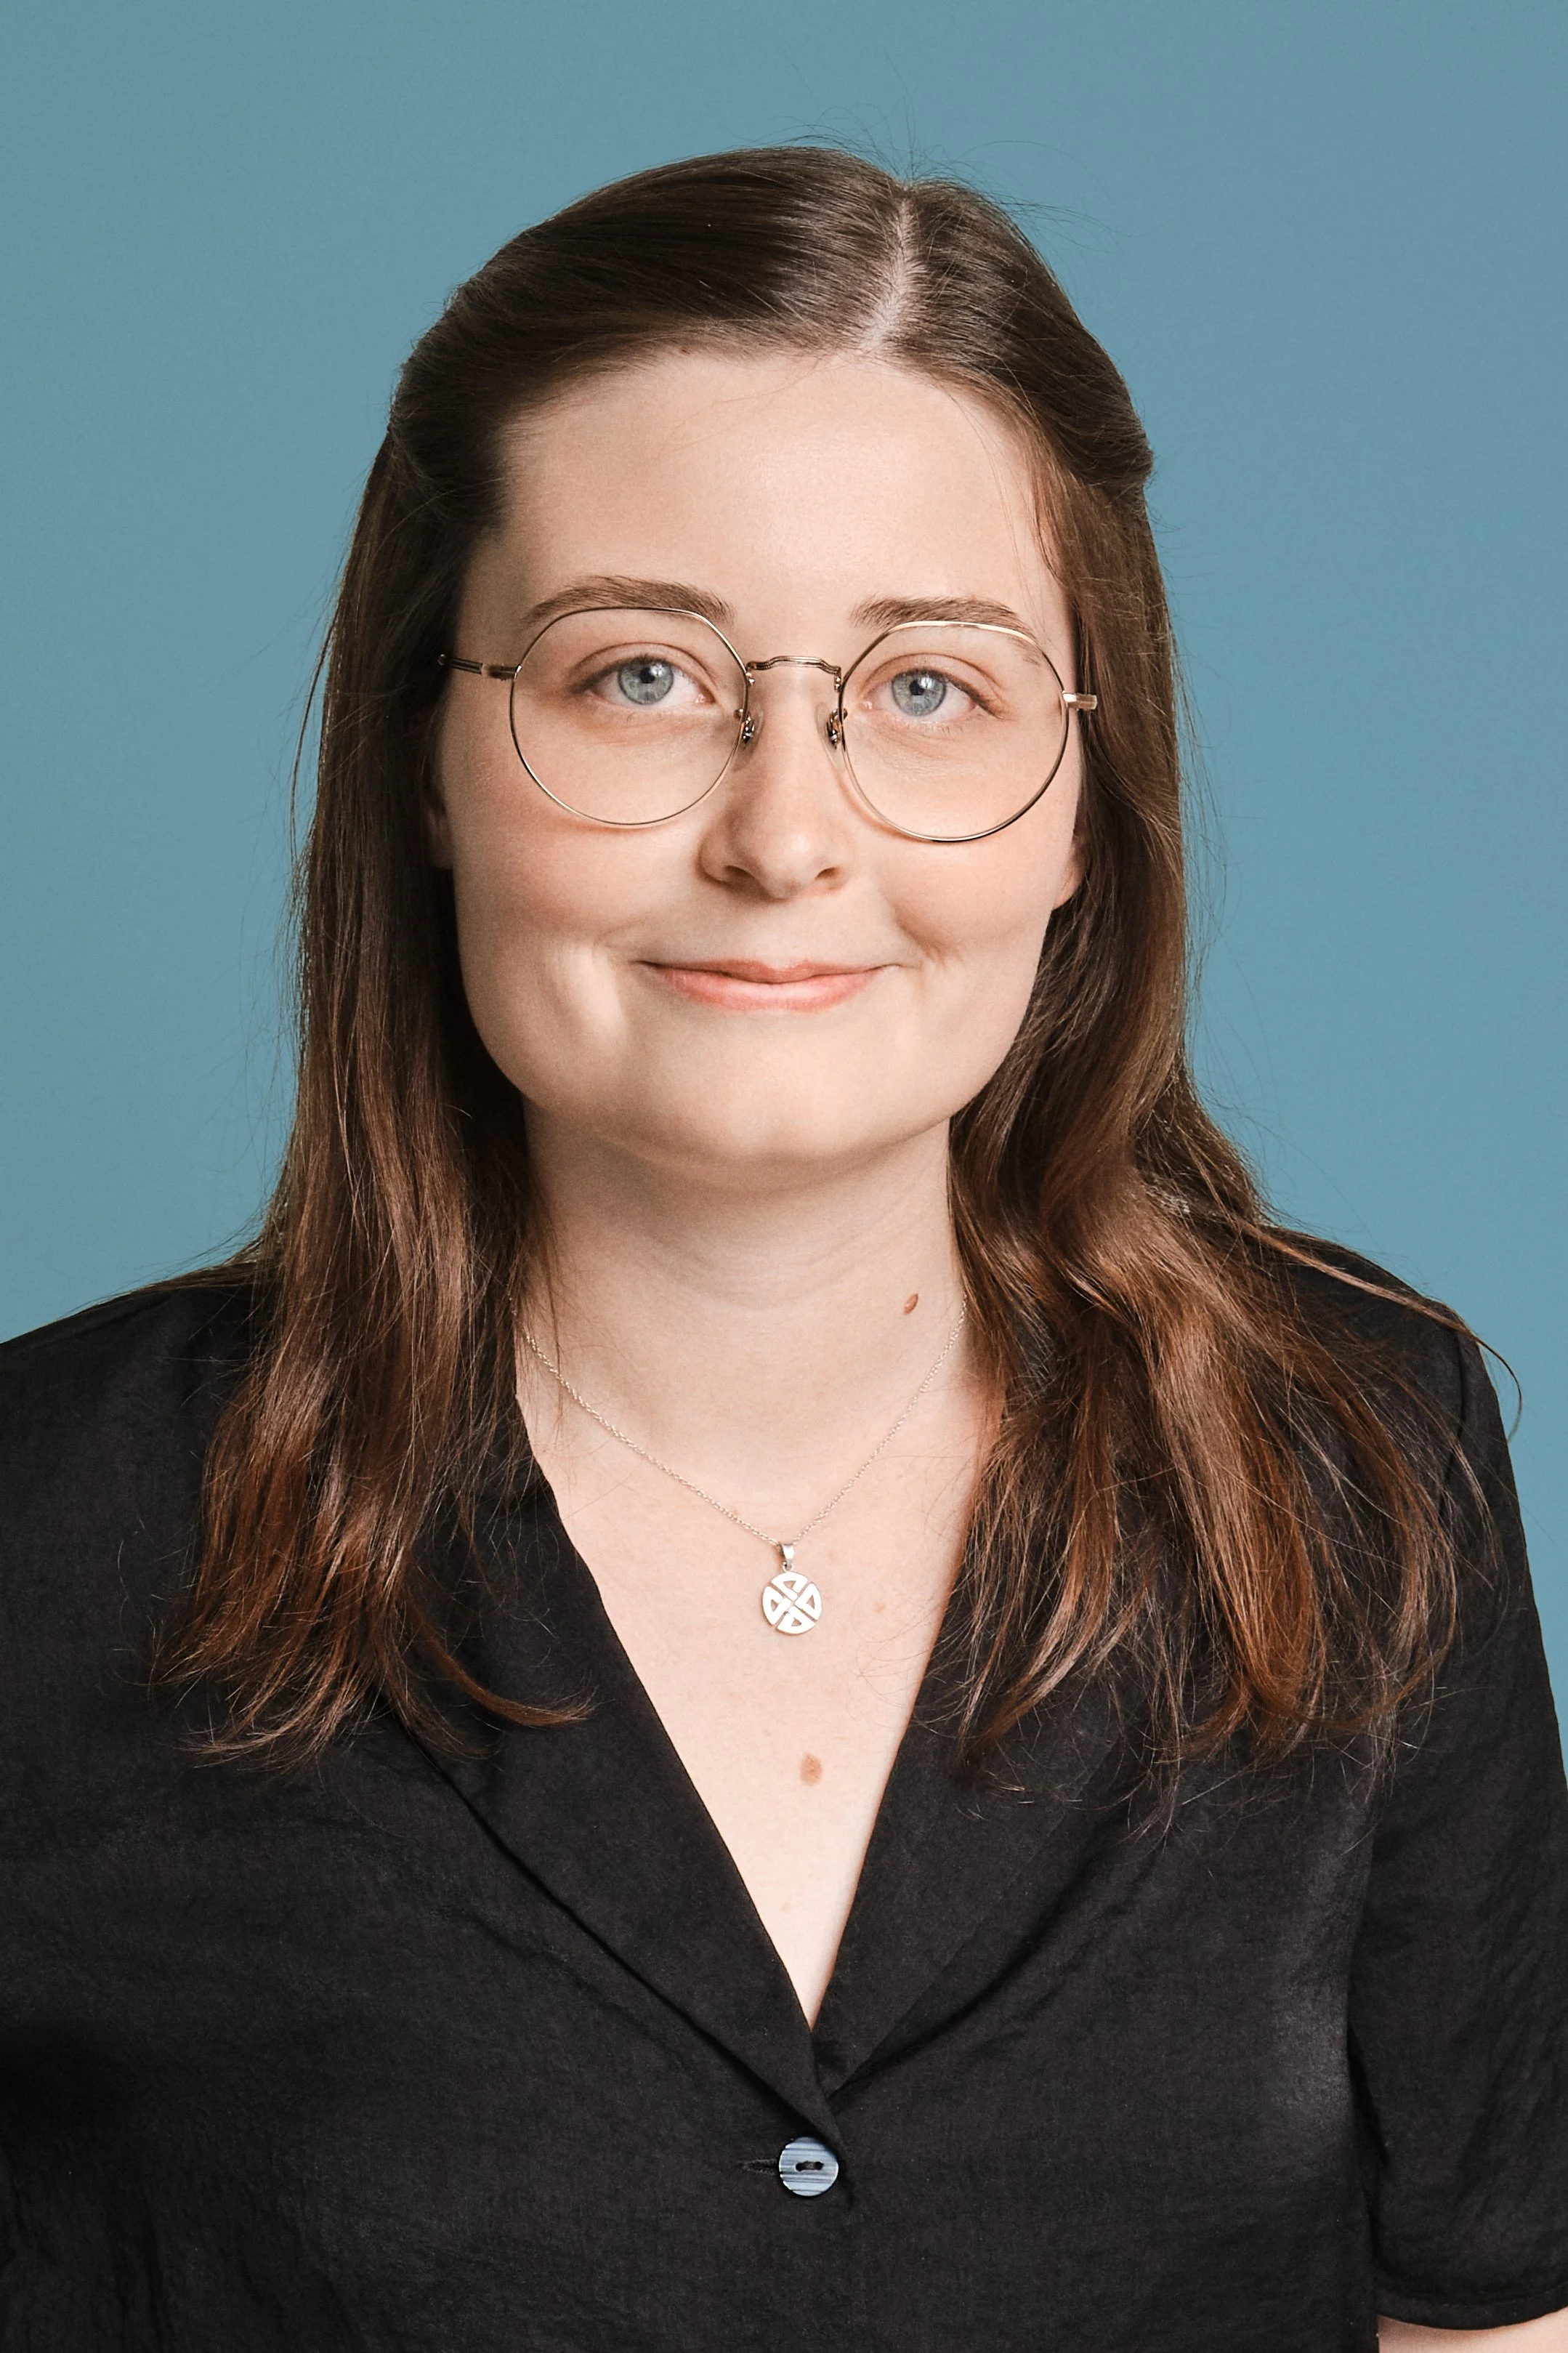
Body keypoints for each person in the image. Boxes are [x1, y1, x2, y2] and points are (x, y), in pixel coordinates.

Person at [1, 145, 1564, 2353]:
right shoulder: (41, 1524)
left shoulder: (1358, 1448)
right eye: (636, 672)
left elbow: (1490, 2314)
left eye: (930, 688)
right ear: (424, 761)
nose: (785, 834)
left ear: (1084, 813)